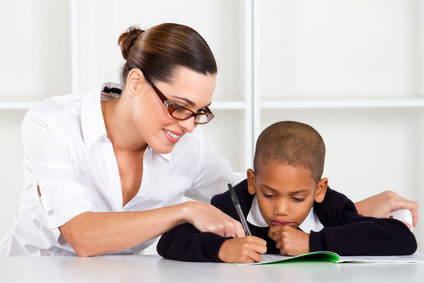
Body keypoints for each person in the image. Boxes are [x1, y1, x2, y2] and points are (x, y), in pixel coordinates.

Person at [0, 23, 418, 256]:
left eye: (200, 111)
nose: (187, 124)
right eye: (178, 106)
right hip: (35, 274)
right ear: (136, 82)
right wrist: (184, 211)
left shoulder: (187, 145)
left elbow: (253, 199)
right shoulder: (53, 123)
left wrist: (355, 207)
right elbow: (83, 236)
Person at [157, 121, 417, 263]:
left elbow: (403, 240)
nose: (281, 208)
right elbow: (169, 241)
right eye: (269, 195)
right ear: (252, 182)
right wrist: (223, 248)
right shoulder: (235, 203)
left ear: (319, 190)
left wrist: (312, 243)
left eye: (297, 198)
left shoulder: (331, 207)